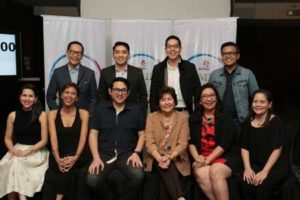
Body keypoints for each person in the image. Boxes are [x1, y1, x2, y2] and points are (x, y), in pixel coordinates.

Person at [87, 77, 145, 200]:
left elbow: (142, 135)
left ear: (128, 93)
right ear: (110, 91)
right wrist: (96, 158)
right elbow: (93, 134)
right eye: (116, 90)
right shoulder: (100, 109)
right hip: (104, 154)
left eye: (123, 90)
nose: (120, 93)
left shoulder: (136, 110)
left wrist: (136, 153)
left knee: (138, 176)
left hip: (127, 154)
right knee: (92, 179)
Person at [189, 83, 241, 200]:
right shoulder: (194, 118)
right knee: (200, 173)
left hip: (226, 156)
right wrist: (197, 158)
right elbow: (190, 142)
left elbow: (225, 144)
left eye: (212, 95)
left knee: (215, 170)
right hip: (203, 157)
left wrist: (207, 161)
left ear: (217, 98)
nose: (209, 99)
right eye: (205, 96)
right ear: (200, 101)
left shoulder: (225, 117)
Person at [239, 89, 290, 200]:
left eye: (262, 102)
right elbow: (244, 147)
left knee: (263, 187)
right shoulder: (248, 121)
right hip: (255, 163)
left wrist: (265, 172)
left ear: (269, 104)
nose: (258, 105)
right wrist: (247, 168)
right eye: (255, 101)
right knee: (245, 183)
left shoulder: (276, 122)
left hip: (275, 165)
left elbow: (277, 149)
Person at [0, 84, 49, 200]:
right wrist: (12, 150)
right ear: (20, 97)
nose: (27, 99)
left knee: (15, 164)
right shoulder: (12, 115)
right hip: (17, 149)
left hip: (36, 151)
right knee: (7, 165)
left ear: (36, 99)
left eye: (30, 96)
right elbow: (7, 138)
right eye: (24, 95)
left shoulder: (42, 115)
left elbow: (44, 140)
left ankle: (21, 196)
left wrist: (27, 151)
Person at [43, 83, 90, 200]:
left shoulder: (84, 113)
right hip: (58, 153)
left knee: (67, 169)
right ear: (61, 95)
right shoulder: (52, 114)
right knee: (50, 176)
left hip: (78, 154)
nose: (69, 95)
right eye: (66, 92)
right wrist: (58, 158)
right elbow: (53, 138)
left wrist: (75, 157)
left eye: (73, 93)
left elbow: (83, 138)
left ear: (77, 97)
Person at [144, 86, 190, 200]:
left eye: (169, 99)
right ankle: (180, 197)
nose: (166, 102)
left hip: (176, 157)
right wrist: (160, 158)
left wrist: (169, 157)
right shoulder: (151, 117)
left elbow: (183, 143)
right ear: (158, 102)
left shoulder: (183, 117)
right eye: (162, 99)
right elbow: (149, 142)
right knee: (165, 167)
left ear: (174, 101)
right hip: (155, 157)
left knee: (167, 169)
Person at [209, 42, 259, 134]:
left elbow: (257, 98)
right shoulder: (214, 75)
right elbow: (208, 96)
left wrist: (253, 117)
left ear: (238, 56)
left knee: (239, 148)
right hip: (218, 120)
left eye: (231, 53)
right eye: (224, 54)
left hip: (240, 121)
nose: (228, 56)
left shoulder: (247, 74)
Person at [150, 35, 201, 114]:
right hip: (163, 112)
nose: (172, 49)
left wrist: (198, 114)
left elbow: (198, 92)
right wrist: (155, 114)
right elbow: (153, 95)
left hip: (185, 112)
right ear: (165, 49)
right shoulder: (158, 69)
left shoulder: (189, 67)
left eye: (175, 46)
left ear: (180, 49)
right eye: (169, 46)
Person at [46, 41, 97, 114]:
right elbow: (50, 96)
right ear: (67, 53)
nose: (75, 55)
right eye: (72, 52)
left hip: (83, 118)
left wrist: (88, 114)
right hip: (62, 117)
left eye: (78, 53)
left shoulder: (90, 73)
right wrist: (57, 113)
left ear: (82, 56)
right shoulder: (57, 72)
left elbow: (94, 98)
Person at [98, 41, 148, 111]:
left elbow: (143, 96)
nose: (120, 55)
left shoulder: (137, 73)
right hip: (110, 113)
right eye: (117, 52)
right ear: (113, 55)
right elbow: (101, 96)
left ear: (129, 55)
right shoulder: (105, 72)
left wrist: (140, 114)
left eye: (124, 52)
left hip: (132, 114)